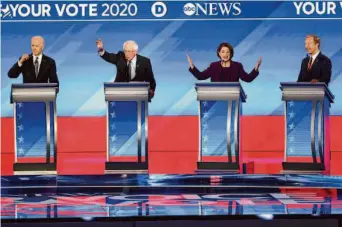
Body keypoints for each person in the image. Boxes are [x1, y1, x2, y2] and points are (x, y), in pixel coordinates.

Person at [187, 42, 262, 82]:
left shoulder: (237, 66)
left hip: (233, 99)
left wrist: (256, 68)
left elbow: (248, 79)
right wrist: (192, 66)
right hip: (215, 98)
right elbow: (201, 76)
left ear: (231, 53)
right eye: (223, 52)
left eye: (228, 52)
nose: (225, 54)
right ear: (219, 53)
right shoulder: (214, 66)